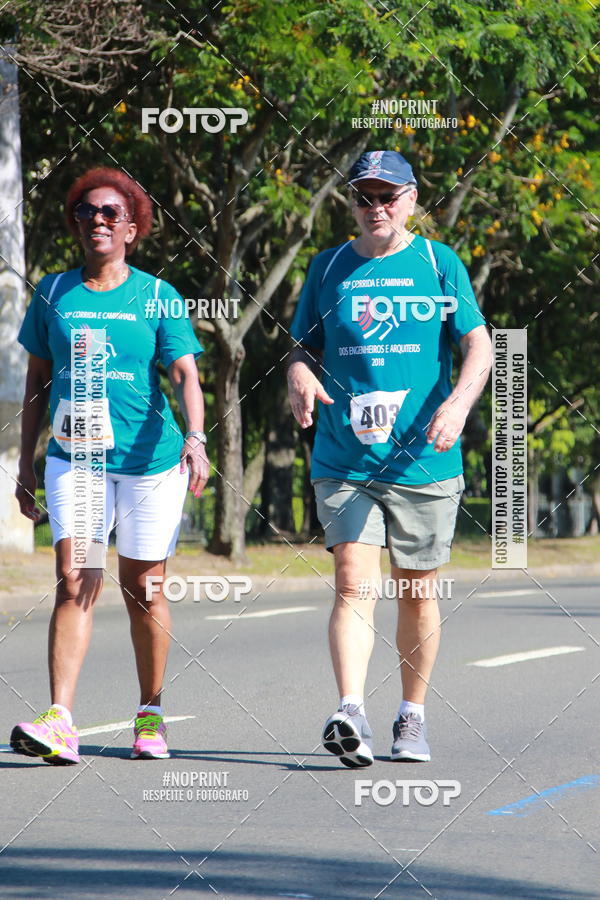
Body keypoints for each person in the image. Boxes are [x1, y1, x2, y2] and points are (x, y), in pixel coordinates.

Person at [288, 150, 492, 766]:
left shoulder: (437, 262)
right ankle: (351, 710)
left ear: (411, 199)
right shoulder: (327, 267)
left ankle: (411, 715)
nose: (375, 207)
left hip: (423, 460)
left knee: (416, 591)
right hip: (345, 456)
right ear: (350, 203)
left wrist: (457, 405)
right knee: (353, 581)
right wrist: (299, 374)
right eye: (364, 197)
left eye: (388, 196)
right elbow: (302, 347)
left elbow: (480, 346)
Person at [10, 167, 209, 764]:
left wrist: (196, 438)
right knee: (77, 578)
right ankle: (60, 720)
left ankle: (150, 714)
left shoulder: (158, 296)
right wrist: (25, 462)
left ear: (131, 229)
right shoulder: (53, 292)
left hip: (150, 464)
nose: (96, 220)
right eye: (86, 211)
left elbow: (185, 374)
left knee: (143, 589)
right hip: (78, 461)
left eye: (109, 213)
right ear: (75, 224)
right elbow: (37, 382)